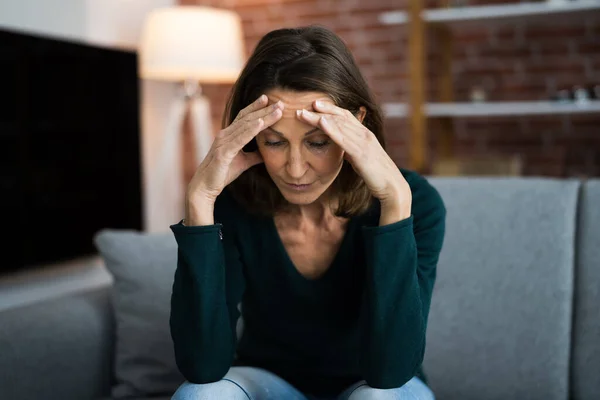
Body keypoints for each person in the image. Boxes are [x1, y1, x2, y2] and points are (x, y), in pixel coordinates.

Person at [169, 25, 446, 400]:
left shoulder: (417, 201)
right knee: (198, 395)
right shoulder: (233, 203)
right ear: (252, 136)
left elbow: (390, 372)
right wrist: (201, 198)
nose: (295, 169)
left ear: (356, 124)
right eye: (275, 142)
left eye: (317, 142)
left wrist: (394, 202)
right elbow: (202, 367)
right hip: (271, 383)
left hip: (375, 385)